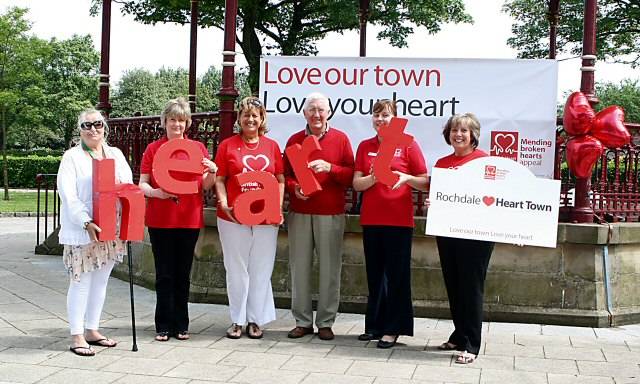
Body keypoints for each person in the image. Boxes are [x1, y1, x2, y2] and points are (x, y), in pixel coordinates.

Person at [138, 97, 217, 342]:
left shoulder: (198, 149)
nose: (177, 125)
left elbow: (205, 186)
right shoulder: (153, 149)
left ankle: (181, 324)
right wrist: (157, 193)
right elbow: (142, 184)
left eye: (182, 120)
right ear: (164, 121)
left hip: (189, 218)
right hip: (160, 217)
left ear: (188, 123)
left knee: (183, 273)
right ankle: (162, 324)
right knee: (163, 273)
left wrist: (213, 172)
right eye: (172, 120)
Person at [352, 100, 428, 348]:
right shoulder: (365, 146)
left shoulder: (408, 144)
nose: (380, 119)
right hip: (372, 219)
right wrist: (373, 177)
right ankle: (375, 325)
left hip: (398, 220)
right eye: (376, 115)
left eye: (386, 115)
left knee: (396, 276)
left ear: (394, 119)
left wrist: (407, 178)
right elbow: (356, 184)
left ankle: (393, 328)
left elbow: (425, 181)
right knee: (375, 275)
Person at [58, 109, 130, 356]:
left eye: (97, 124)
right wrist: (85, 221)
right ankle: (77, 334)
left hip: (110, 227)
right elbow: (68, 195)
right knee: (81, 281)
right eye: (86, 125)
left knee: (100, 281)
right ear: (80, 130)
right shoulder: (72, 157)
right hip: (84, 230)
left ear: (104, 127)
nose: (93, 129)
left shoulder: (116, 154)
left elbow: (126, 185)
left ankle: (92, 329)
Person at [283, 92, 354, 340]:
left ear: (329, 112)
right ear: (304, 113)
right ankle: (302, 321)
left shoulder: (341, 139)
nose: (316, 114)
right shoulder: (294, 140)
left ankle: (325, 322)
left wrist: (330, 168)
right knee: (299, 267)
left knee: (330, 269)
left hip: (331, 213)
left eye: (321, 110)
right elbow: (285, 175)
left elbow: (351, 175)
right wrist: (294, 188)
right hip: (300, 212)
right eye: (312, 109)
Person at [214, 96, 284, 339]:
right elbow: (220, 178)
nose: (250, 119)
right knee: (236, 269)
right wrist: (223, 203)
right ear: (239, 119)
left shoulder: (272, 146)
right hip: (233, 216)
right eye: (246, 114)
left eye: (255, 115)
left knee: (261, 268)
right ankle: (237, 319)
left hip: (265, 217)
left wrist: (277, 206)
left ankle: (256, 319)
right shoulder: (227, 146)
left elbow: (281, 179)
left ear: (262, 118)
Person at [429, 113, 494, 364]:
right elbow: (440, 194)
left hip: (476, 234)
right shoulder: (443, 163)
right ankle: (458, 335)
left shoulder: (485, 161)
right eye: (455, 130)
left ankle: (472, 345)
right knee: (454, 284)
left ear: (473, 135)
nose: (458, 135)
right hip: (448, 231)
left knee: (471, 287)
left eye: (464, 131)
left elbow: (495, 197)